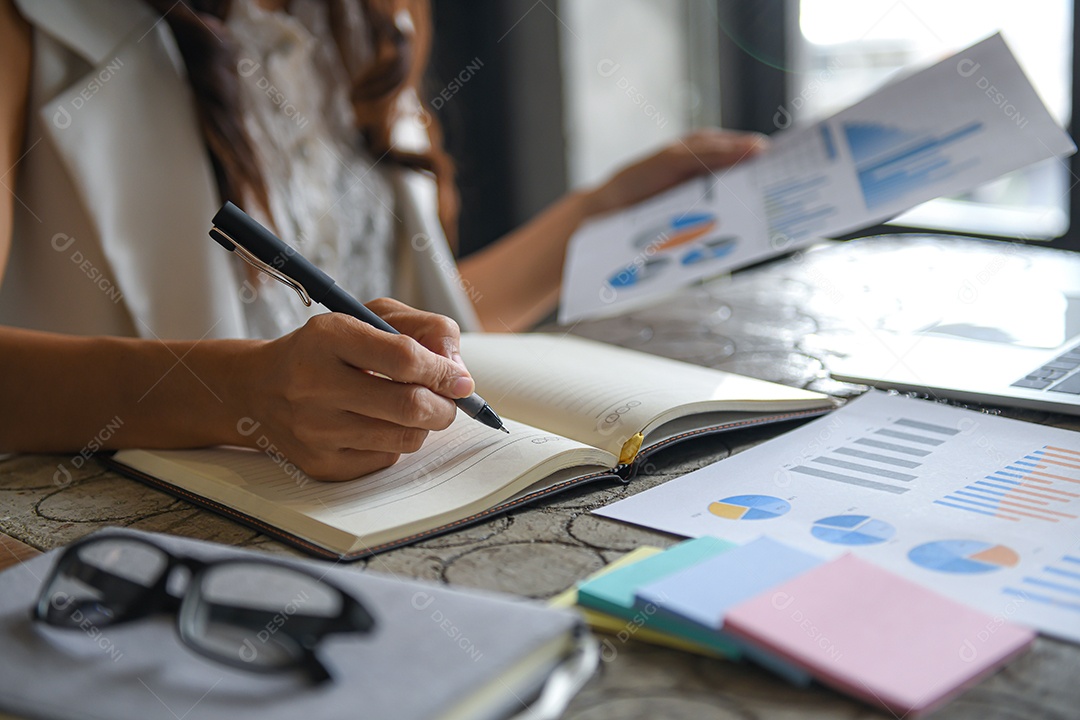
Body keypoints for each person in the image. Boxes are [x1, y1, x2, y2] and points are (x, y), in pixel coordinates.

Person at [0, 0, 766, 480]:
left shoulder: (369, 19)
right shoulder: (27, 26)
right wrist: (238, 395)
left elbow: (419, 326)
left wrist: (605, 212)